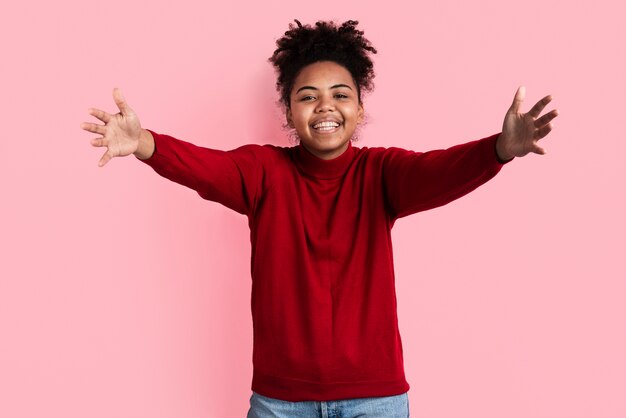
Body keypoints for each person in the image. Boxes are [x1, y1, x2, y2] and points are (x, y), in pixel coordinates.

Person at [80, 19, 558, 418]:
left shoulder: (382, 173)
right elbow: (207, 167)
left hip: (376, 400)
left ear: (359, 107)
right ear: (289, 111)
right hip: (280, 402)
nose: (325, 106)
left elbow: (440, 170)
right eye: (308, 96)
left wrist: (499, 149)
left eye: (340, 94)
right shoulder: (262, 171)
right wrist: (144, 143)